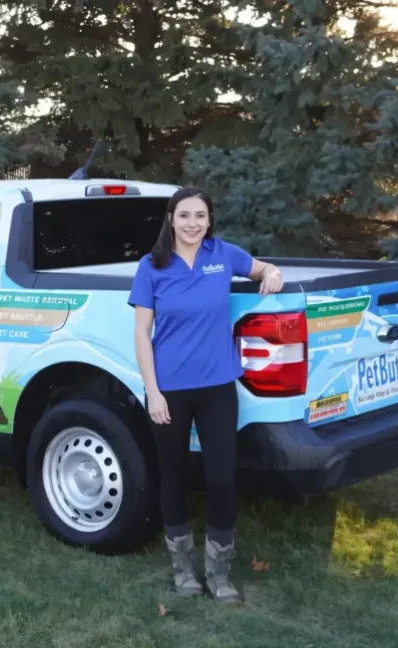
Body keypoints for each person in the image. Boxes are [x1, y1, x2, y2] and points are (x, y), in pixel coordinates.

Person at [127, 186, 284, 604]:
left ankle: (218, 574)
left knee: (220, 479)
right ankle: (183, 571)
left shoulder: (223, 255)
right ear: (171, 219)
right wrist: (153, 393)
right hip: (170, 392)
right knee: (174, 477)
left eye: (200, 215)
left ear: (209, 219)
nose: (192, 223)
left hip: (217, 388)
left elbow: (261, 267)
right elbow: (142, 333)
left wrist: (271, 274)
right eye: (184, 216)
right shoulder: (152, 266)